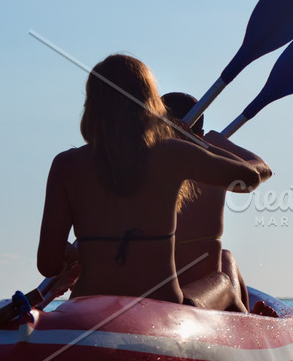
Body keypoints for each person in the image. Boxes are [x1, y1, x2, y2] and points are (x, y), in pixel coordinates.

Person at [37, 54, 270, 306]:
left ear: (92, 105)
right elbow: (250, 178)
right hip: (161, 305)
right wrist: (198, 144)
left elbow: (48, 264)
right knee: (224, 281)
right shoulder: (173, 153)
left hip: (88, 303)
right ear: (150, 105)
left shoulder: (66, 164)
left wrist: (84, 252)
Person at [162, 90, 252, 313]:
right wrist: (211, 147)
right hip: (190, 301)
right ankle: (245, 317)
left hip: (171, 295)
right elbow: (256, 174)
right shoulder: (213, 168)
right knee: (225, 266)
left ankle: (246, 317)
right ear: (200, 134)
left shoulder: (137, 169)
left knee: (226, 258)